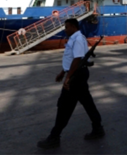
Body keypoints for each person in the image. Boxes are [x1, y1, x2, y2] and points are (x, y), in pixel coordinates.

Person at [37, 18, 104, 149]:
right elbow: (71, 59)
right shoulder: (75, 38)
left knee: (64, 106)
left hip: (76, 76)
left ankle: (54, 137)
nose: (65, 29)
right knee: (87, 103)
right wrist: (63, 72)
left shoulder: (78, 38)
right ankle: (98, 128)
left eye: (67, 27)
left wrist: (68, 78)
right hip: (77, 74)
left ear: (73, 26)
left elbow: (77, 59)